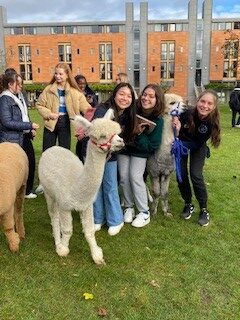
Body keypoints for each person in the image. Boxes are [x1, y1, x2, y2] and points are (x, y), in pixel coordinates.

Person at [82, 82, 136, 236]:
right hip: (95, 153)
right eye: (121, 94)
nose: (125, 98)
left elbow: (122, 138)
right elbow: (99, 130)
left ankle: (115, 220)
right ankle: (98, 218)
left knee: (110, 184)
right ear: (115, 94)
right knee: (96, 186)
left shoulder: (127, 114)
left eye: (128, 96)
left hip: (110, 154)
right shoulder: (103, 110)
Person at [35, 63, 92, 193]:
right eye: (56, 73)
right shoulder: (49, 89)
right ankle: (43, 183)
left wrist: (97, 110)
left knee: (64, 153)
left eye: (61, 74)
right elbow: (39, 105)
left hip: (65, 123)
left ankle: (63, 181)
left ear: (67, 75)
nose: (58, 76)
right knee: (47, 154)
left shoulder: (75, 92)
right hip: (51, 123)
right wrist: (49, 114)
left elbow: (87, 108)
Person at [117, 84, 165, 228]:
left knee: (135, 177)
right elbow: (122, 131)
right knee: (124, 177)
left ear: (158, 100)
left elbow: (152, 146)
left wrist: (139, 134)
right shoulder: (132, 109)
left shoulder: (158, 120)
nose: (146, 98)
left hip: (140, 152)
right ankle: (128, 207)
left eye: (151, 96)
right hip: (125, 148)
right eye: (144, 94)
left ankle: (144, 212)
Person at [172, 89, 221, 227]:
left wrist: (179, 143)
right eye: (202, 101)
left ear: (214, 106)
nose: (205, 106)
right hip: (180, 145)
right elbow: (175, 107)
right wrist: (175, 118)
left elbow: (196, 144)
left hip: (196, 147)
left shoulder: (210, 123)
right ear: (198, 101)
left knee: (196, 175)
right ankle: (188, 204)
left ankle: (204, 209)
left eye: (209, 103)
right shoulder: (187, 112)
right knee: (180, 175)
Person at [0, 71, 39, 198]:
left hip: (21, 136)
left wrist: (29, 130)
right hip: (11, 139)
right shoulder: (5, 99)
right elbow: (7, 122)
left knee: (30, 162)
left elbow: (23, 116)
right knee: (12, 169)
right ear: (11, 84)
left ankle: (26, 191)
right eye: (19, 84)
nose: (21, 87)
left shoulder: (16, 97)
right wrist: (29, 125)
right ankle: (12, 193)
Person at [75, 74, 98, 161]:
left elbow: (96, 107)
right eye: (80, 83)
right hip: (79, 121)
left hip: (89, 122)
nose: (82, 86)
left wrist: (91, 102)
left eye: (84, 83)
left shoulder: (90, 93)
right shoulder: (74, 94)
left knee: (86, 142)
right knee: (80, 143)